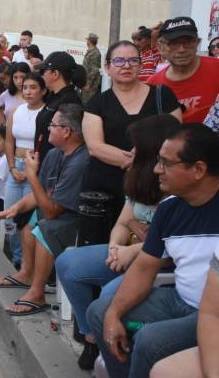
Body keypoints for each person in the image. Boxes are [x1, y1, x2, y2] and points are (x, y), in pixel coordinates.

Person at [87, 123, 219, 378]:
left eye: (166, 163)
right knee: (100, 312)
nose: (157, 170)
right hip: (178, 300)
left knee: (150, 341)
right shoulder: (170, 208)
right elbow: (144, 267)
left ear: (199, 169)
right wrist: (114, 314)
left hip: (210, 314)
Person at [55, 113, 180, 371]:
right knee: (69, 263)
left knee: (111, 293)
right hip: (132, 250)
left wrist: (132, 250)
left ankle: (114, 349)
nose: (130, 151)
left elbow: (170, 245)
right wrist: (115, 248)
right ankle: (94, 337)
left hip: (159, 266)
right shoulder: (139, 178)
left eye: (136, 147)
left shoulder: (178, 187)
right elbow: (124, 223)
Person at [0, 104, 90, 316]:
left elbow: (53, 210)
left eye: (53, 125)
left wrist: (31, 174)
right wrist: (15, 208)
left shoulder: (81, 160)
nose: (47, 130)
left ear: (66, 131)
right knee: (28, 218)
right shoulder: (56, 154)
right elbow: (39, 195)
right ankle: (27, 274)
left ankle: (37, 293)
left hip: (78, 219)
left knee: (46, 226)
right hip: (58, 211)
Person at [83, 41, 182, 235]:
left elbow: (176, 137)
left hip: (155, 188)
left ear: (141, 65)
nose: (126, 66)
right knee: (110, 247)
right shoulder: (97, 103)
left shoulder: (162, 95)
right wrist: (143, 159)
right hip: (107, 188)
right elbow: (95, 146)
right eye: (119, 60)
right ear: (107, 66)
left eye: (133, 60)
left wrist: (146, 162)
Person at [149, 242, 219, 378]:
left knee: (150, 340)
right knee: (164, 371)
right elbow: (211, 314)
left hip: (191, 305)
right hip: (180, 297)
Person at [3, 72, 47, 268]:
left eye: (33, 87)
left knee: (29, 219)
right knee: (10, 215)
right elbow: (9, 140)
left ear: (44, 90)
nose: (28, 91)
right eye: (25, 87)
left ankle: (29, 263)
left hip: (35, 169)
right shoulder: (16, 111)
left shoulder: (47, 113)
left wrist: (31, 171)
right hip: (15, 166)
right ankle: (17, 258)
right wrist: (12, 166)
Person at [147, 16, 219, 123]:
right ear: (160, 47)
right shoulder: (153, 85)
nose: (181, 49)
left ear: (197, 42)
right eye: (173, 43)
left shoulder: (216, 68)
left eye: (188, 42)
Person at [34, 51, 84, 163]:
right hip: (43, 162)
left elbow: (68, 140)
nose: (41, 75)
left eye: (43, 71)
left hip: (55, 166)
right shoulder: (53, 96)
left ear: (55, 74)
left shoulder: (70, 100)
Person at [82, 32, 102, 104]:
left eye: (87, 40)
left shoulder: (95, 53)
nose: (86, 42)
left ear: (89, 41)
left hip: (90, 85)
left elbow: (95, 70)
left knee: (87, 104)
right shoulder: (91, 51)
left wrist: (89, 84)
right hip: (86, 82)